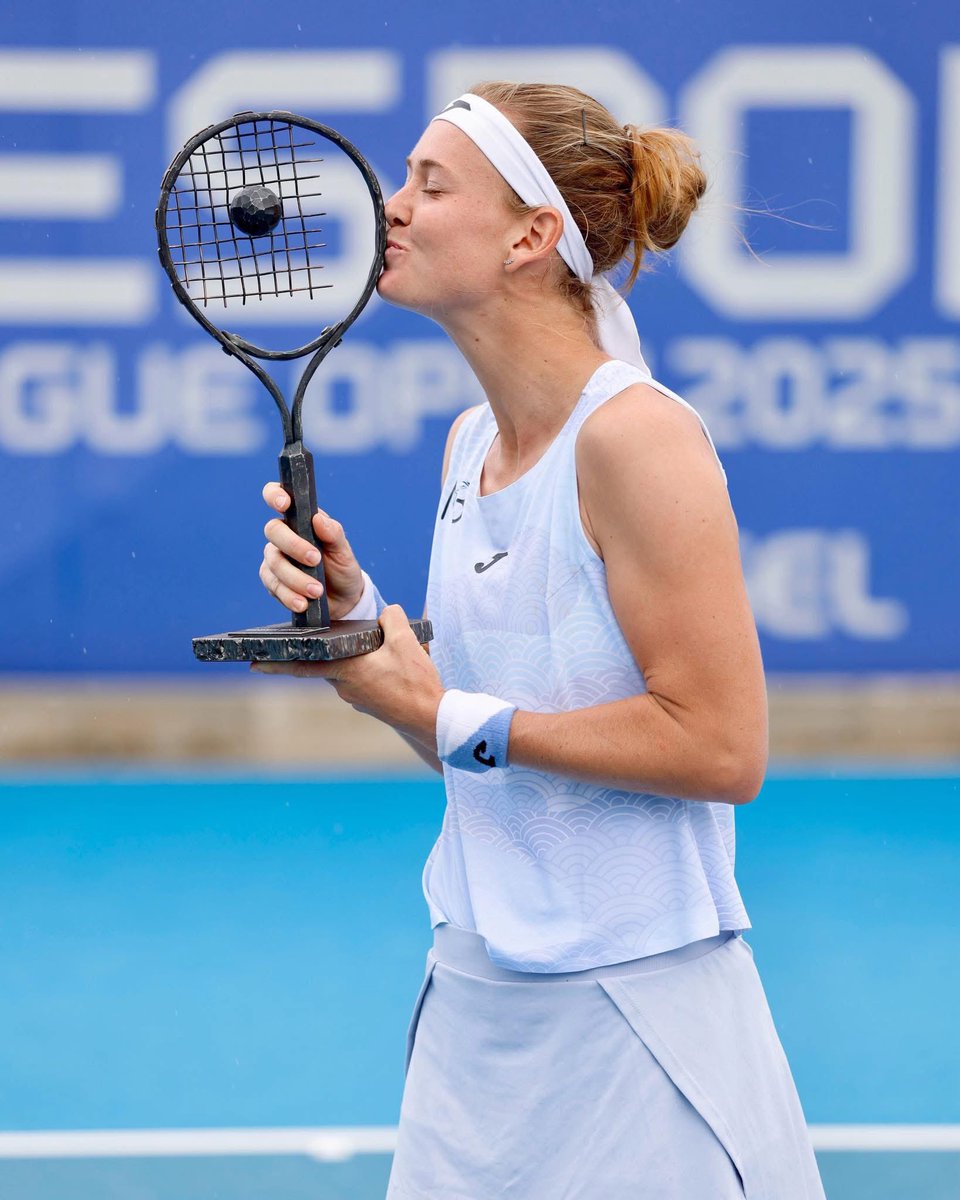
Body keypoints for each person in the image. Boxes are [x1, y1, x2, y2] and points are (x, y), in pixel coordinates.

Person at [253, 82, 826, 1199]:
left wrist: (446, 715)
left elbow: (719, 747)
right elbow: (490, 753)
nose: (392, 206)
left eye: (431, 182)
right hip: (474, 1020)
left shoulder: (640, 441)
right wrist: (364, 635)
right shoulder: (472, 443)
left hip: (643, 1029)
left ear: (532, 235)